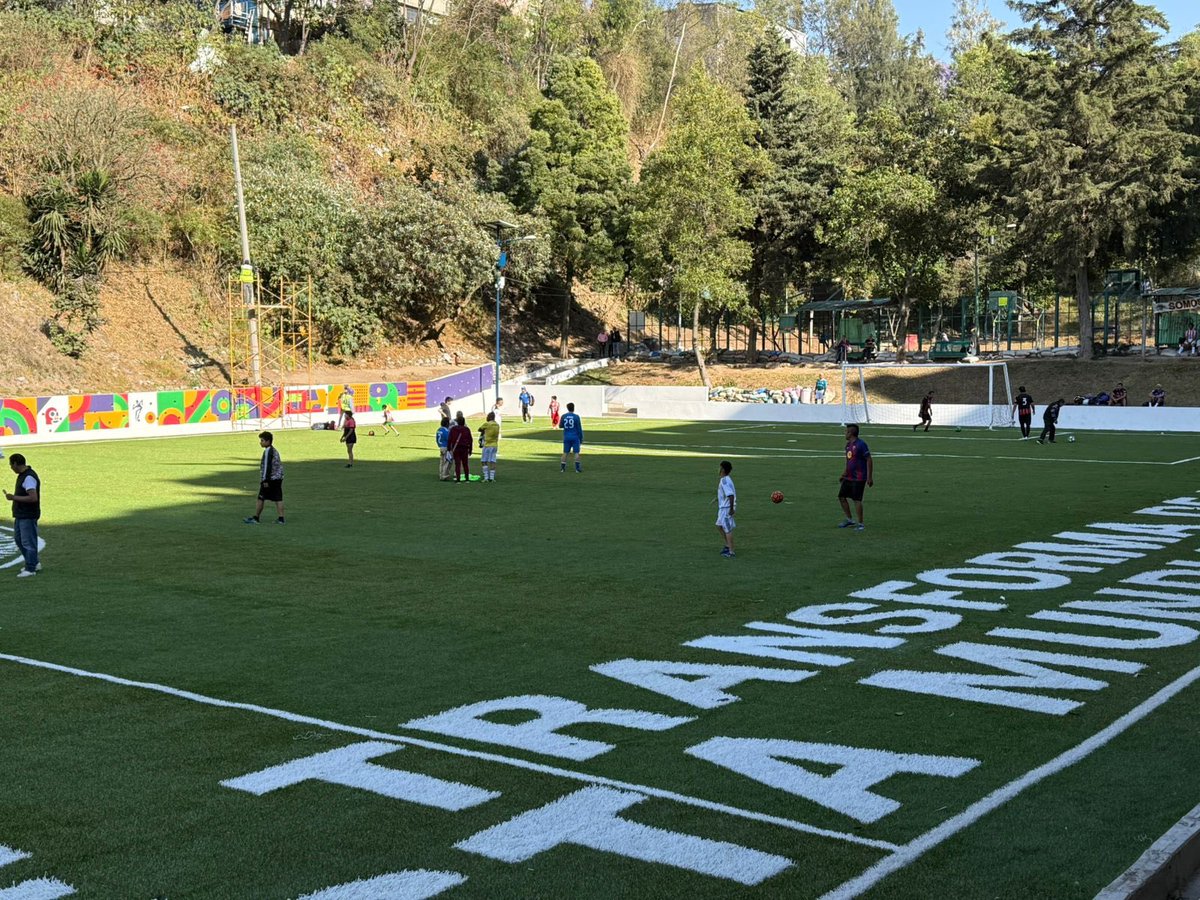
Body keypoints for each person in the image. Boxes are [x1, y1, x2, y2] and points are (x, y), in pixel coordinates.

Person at [5, 453, 41, 577]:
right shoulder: (23, 476)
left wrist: (13, 497)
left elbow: (33, 497)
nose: (11, 467)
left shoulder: (28, 477)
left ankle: (30, 568)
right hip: (21, 514)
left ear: (15, 463)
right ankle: (34, 562)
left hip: (27, 514)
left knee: (28, 542)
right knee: (19, 539)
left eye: (11, 465)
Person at [836, 425, 873, 532]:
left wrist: (869, 477)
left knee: (857, 500)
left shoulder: (861, 445)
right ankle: (849, 519)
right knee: (842, 497)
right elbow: (849, 462)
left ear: (850, 433)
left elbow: (869, 459)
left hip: (859, 477)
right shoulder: (848, 446)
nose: (845, 434)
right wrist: (844, 474)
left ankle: (861, 524)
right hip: (849, 477)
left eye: (846, 432)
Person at [243, 431, 284, 525]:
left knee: (261, 498)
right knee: (278, 498)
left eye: (262, 440)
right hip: (278, 478)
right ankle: (281, 519)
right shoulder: (274, 450)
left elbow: (267, 467)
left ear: (268, 441)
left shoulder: (268, 451)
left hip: (270, 479)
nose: (260, 442)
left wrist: (265, 480)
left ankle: (256, 518)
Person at [715, 460, 737, 558]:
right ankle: (728, 545)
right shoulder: (725, 479)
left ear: (723, 469)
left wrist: (731, 509)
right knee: (719, 526)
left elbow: (731, 495)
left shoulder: (724, 480)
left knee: (727, 529)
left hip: (726, 508)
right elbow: (727, 493)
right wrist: (718, 498)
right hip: (723, 507)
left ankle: (731, 552)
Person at [448, 412, 473, 482]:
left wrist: (449, 448)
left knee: (457, 464)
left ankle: (458, 479)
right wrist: (470, 449)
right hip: (465, 448)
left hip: (456, 448)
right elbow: (470, 440)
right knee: (465, 464)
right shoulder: (467, 429)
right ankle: (467, 479)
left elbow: (450, 439)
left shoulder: (453, 429)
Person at [559, 402, 583, 473]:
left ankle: (562, 469)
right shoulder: (576, 417)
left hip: (566, 436)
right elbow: (579, 428)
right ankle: (577, 469)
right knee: (576, 452)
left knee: (565, 452)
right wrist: (581, 438)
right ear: (573, 408)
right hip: (575, 437)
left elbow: (560, 426)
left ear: (567, 408)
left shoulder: (564, 416)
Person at [480, 412, 501, 482]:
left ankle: (486, 477)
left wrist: (484, 431)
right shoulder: (497, 425)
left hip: (487, 445)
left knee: (484, 461)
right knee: (493, 461)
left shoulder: (487, 424)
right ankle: (492, 478)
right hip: (495, 445)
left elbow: (479, 429)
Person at [435, 416, 453, 481]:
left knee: (442, 462)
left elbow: (437, 439)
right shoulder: (446, 431)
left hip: (441, 447)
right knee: (447, 462)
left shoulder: (439, 430)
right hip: (446, 447)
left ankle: (441, 474)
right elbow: (449, 440)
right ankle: (444, 475)